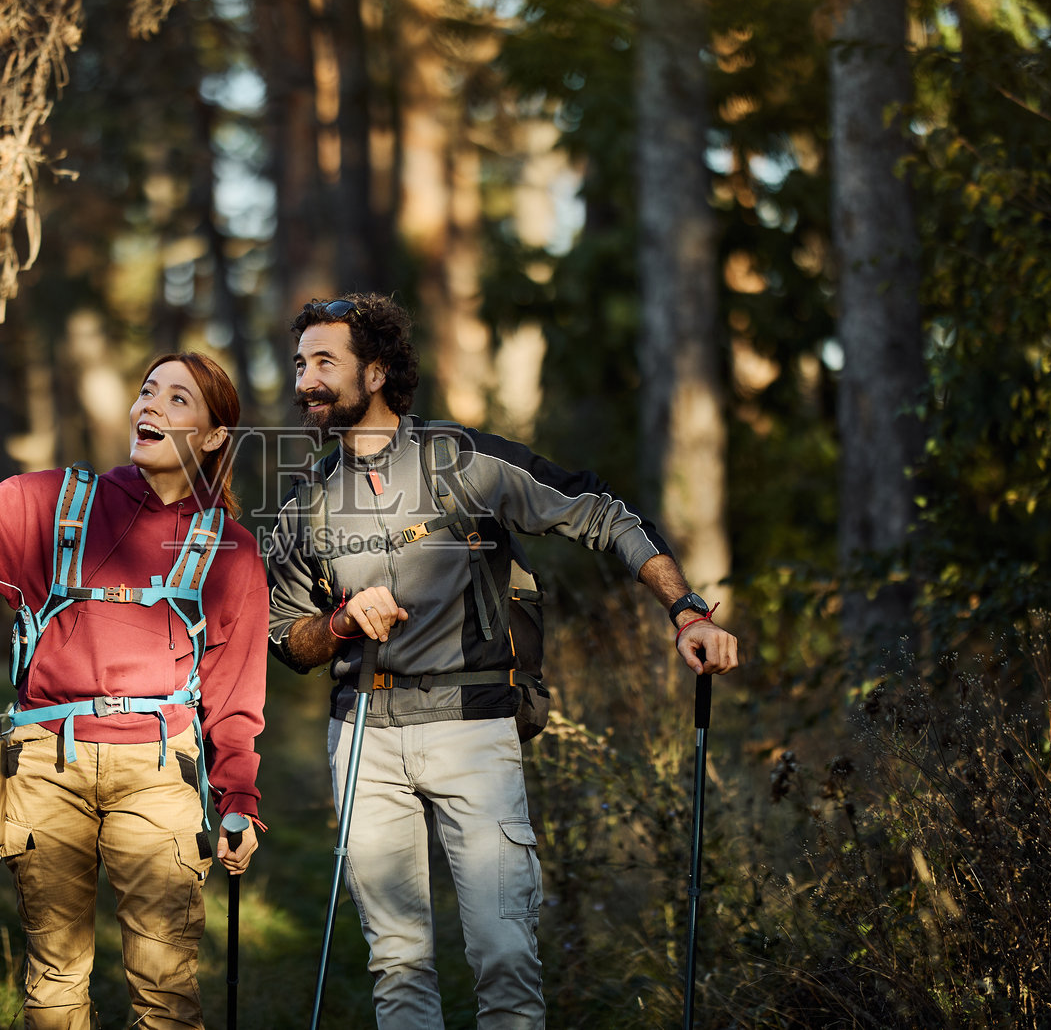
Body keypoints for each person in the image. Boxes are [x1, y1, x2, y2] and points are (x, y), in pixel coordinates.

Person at [266, 294, 740, 1029]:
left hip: (472, 727)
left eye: (325, 361)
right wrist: (336, 622)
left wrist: (685, 610)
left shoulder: (465, 463)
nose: (306, 381)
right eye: (300, 364)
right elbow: (285, 639)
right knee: (396, 963)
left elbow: (601, 511)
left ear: (378, 372)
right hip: (364, 733)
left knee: (505, 953)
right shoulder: (307, 504)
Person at [0, 351, 268, 1030]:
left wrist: (239, 798)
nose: (150, 407)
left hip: (162, 773)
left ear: (215, 436)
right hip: (47, 763)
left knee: (167, 993)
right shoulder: (56, 503)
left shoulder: (233, 551)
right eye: (146, 391)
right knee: (53, 986)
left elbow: (235, 697)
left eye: (178, 400)